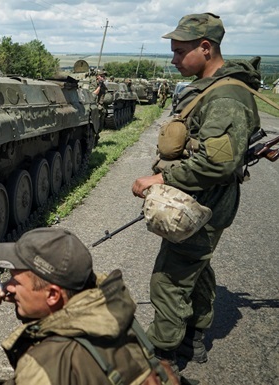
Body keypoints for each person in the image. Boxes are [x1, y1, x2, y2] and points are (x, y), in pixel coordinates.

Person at [132, 12, 261, 377]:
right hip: (204, 200)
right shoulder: (213, 89)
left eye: (178, 51)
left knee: (169, 278)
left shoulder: (225, 98)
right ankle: (195, 334)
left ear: (205, 48)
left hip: (204, 201)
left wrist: (160, 177)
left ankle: (162, 354)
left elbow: (215, 166)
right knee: (196, 264)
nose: (173, 60)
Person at [0, 227, 179, 384]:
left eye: (15, 281)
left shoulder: (45, 363)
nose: (7, 287)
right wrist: (24, 304)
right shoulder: (112, 311)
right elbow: (60, 315)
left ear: (52, 295)